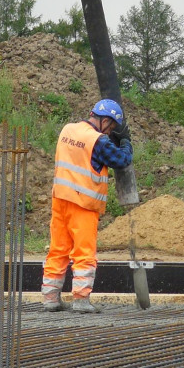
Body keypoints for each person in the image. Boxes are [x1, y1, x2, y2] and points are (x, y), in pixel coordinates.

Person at [41, 98, 133, 314]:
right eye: (111, 127)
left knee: (58, 250)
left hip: (60, 200)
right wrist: (126, 142)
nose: (111, 132)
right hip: (82, 204)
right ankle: (81, 300)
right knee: (84, 252)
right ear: (106, 120)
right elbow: (121, 160)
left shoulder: (67, 130)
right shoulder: (98, 140)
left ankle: (50, 299)